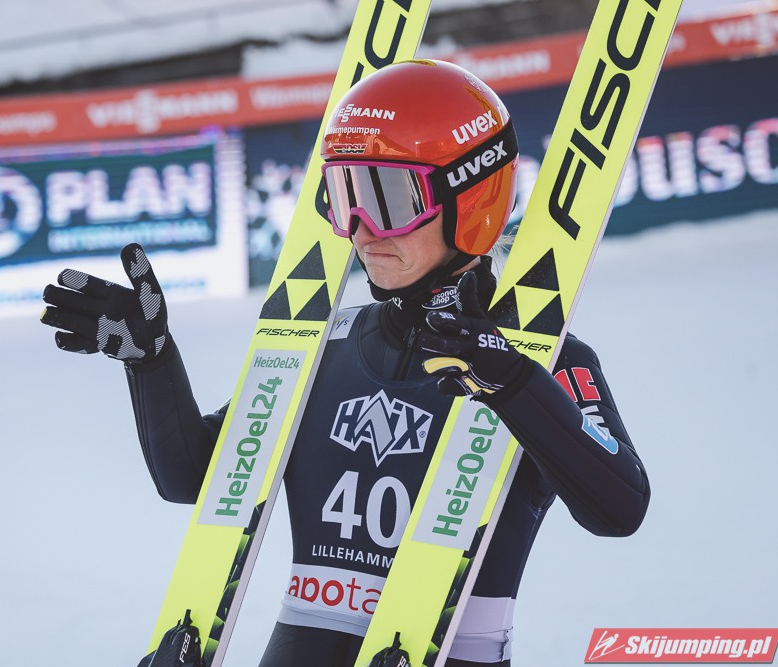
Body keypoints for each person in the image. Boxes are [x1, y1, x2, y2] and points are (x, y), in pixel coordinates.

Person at [40, 60, 650, 667]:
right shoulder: (322, 344)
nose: (361, 230)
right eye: (344, 197)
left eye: (387, 199)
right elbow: (196, 478)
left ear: (470, 198)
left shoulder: (545, 359)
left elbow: (620, 507)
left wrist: (514, 383)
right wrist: (152, 363)